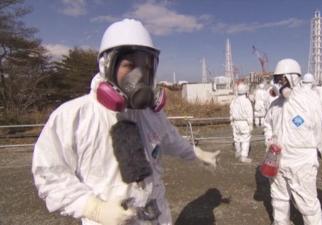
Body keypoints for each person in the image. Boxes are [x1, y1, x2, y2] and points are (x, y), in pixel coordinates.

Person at [32, 18, 220, 225]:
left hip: (157, 217)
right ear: (106, 66)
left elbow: (170, 139)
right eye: (130, 65)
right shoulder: (74, 116)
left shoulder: (149, 114)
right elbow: (49, 174)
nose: (139, 76)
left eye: (146, 67)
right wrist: (93, 208)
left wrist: (195, 152)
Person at [263, 58, 322, 225]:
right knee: (278, 199)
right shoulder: (275, 105)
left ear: (294, 78)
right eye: (278, 80)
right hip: (278, 161)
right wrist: (269, 140)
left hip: (302, 162)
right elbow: (267, 125)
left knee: (307, 205)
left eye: (283, 79)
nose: (280, 83)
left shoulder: (309, 101)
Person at [230, 82, 253, 163]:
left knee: (237, 138)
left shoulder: (234, 101)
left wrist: (232, 122)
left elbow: (231, 112)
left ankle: (238, 152)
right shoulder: (247, 101)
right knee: (245, 139)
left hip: (236, 122)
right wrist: (250, 124)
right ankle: (243, 156)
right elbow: (249, 114)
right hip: (244, 123)